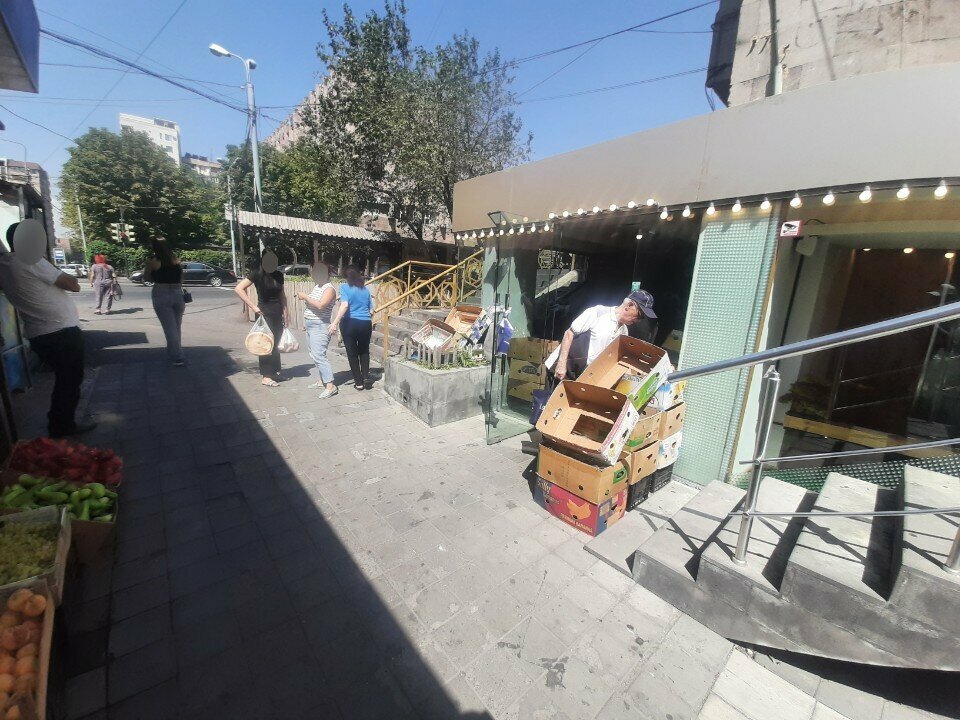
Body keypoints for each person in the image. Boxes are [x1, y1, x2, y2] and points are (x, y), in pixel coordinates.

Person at [0, 220, 95, 437]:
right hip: (60, 332)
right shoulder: (30, 261)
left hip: (39, 333)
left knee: (65, 379)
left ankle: (60, 422)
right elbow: (73, 284)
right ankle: (62, 425)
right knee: (69, 380)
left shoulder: (5, 264)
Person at [545, 290, 657, 386]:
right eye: (640, 315)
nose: (638, 320)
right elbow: (569, 333)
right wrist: (561, 365)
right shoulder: (598, 312)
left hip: (581, 376)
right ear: (629, 306)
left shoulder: (623, 331)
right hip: (562, 370)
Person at [235, 250, 289, 387]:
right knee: (266, 344)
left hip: (277, 312)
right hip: (264, 313)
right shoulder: (257, 273)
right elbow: (239, 288)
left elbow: (282, 295)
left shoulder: (278, 275)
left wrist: (286, 312)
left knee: (276, 344)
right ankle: (266, 375)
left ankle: (275, 372)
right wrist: (253, 306)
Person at [297, 262, 338, 398]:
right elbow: (313, 305)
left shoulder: (329, 289)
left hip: (320, 326)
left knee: (319, 356)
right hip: (311, 325)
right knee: (314, 354)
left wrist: (305, 297)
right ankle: (322, 381)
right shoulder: (318, 286)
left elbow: (321, 305)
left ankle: (330, 386)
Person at [143, 237, 186, 366]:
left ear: (154, 247)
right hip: (178, 293)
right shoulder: (175, 259)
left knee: (169, 328)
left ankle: (177, 357)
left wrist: (157, 276)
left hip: (161, 293)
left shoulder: (153, 261)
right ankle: (174, 352)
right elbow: (181, 278)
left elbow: (146, 277)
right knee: (176, 326)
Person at [330, 266, 374, 391]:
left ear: (347, 276)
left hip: (350, 323)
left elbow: (344, 305)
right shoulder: (365, 290)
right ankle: (365, 377)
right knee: (364, 351)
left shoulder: (344, 287)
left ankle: (359, 383)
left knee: (352, 354)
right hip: (366, 324)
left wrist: (335, 322)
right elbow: (371, 311)